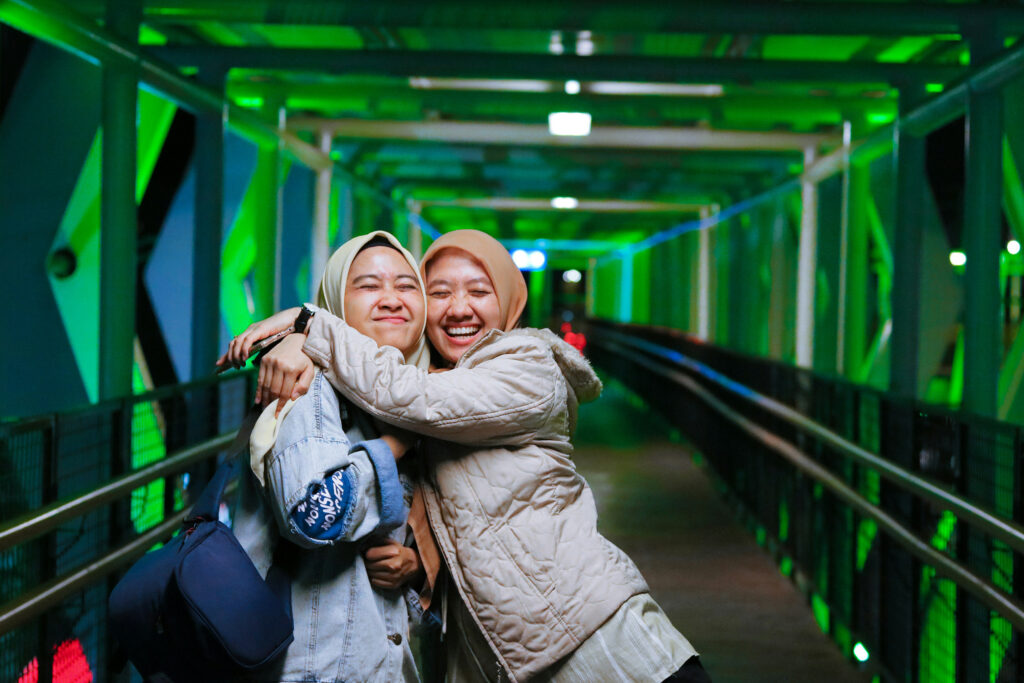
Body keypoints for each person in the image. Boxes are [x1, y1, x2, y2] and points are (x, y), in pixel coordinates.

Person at [227, 229, 709, 683]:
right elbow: (444, 517)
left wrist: (307, 325)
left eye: (479, 292)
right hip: (498, 655)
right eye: (438, 293)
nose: (459, 309)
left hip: (594, 637)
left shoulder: (526, 368)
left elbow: (411, 397)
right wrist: (419, 568)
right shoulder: (382, 386)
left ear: (509, 303)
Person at [226, 231, 437, 683]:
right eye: (367, 286)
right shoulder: (308, 382)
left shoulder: (413, 393)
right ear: (336, 304)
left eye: (406, 285)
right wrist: (393, 445)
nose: (391, 298)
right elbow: (314, 515)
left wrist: (414, 567)